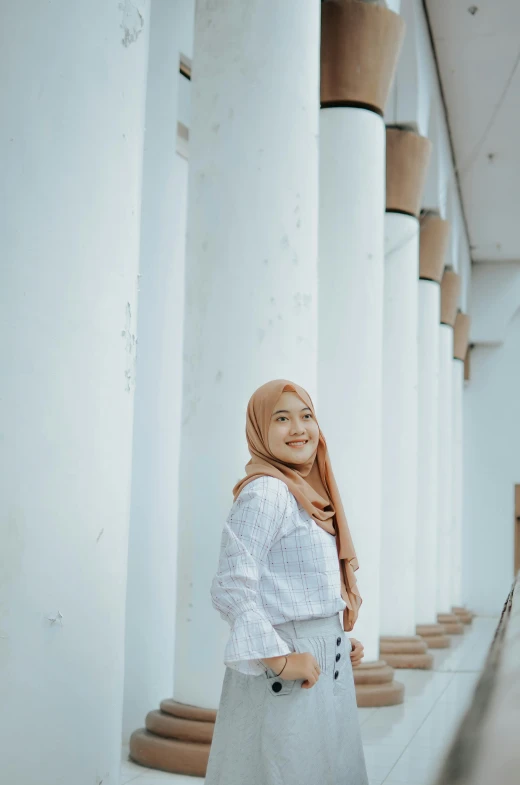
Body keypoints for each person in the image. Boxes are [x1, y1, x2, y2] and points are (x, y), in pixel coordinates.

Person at [204, 379, 369, 785]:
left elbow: (292, 584)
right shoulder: (267, 493)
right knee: (284, 770)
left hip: (320, 659)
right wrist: (279, 660)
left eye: (306, 416)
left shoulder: (309, 495)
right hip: (288, 667)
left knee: (325, 768)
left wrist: (333, 639)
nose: (298, 428)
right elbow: (230, 585)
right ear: (260, 429)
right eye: (281, 418)